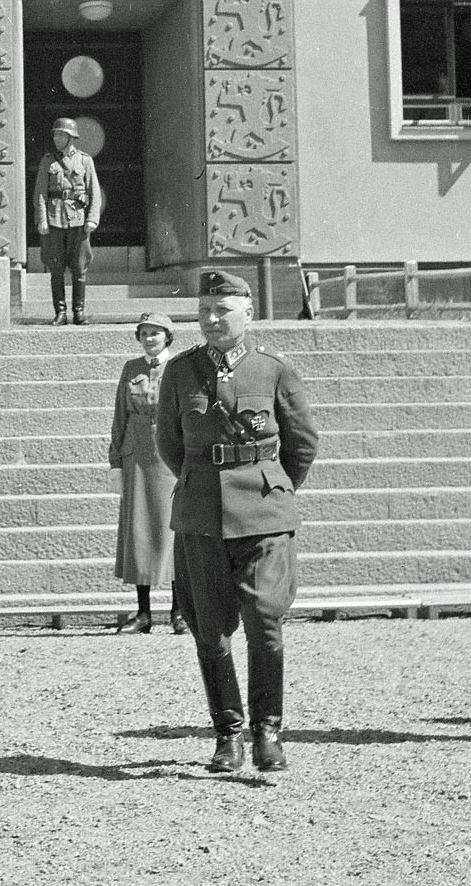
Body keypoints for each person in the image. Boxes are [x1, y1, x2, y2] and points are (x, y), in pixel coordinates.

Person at [155, 268, 318, 776]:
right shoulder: (180, 372)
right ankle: (227, 732)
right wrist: (205, 480)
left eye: (222, 310)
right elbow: (170, 445)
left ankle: (268, 729)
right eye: (204, 310)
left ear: (248, 312)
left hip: (264, 512)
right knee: (210, 631)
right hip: (202, 513)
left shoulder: (272, 369)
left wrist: (272, 487)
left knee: (265, 620)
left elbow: (302, 442)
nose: (211, 319)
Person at [109, 312, 180, 633]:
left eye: (156, 333)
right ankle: (144, 613)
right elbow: (120, 417)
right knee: (139, 534)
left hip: (169, 457)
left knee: (174, 533)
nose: (149, 338)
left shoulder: (179, 368)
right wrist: (115, 461)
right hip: (136, 455)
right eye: (144, 333)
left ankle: (179, 613)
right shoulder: (131, 369)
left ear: (168, 336)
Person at [33, 115, 103, 325]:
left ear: (71, 137)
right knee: (56, 269)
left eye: (61, 135)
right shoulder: (48, 161)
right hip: (54, 220)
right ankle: (60, 312)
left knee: (79, 268)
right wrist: (42, 219)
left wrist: (92, 219)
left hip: (78, 220)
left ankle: (79, 312)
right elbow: (40, 193)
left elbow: (94, 193)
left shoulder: (84, 160)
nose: (57, 138)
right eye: (55, 134)